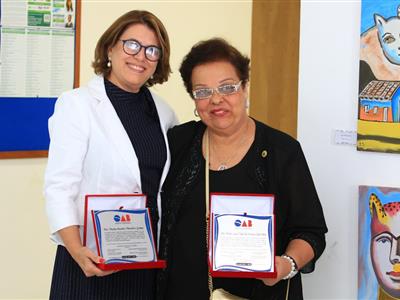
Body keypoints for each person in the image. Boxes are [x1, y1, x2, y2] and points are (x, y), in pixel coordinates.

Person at [157, 38, 328, 300]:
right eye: (202, 91)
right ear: (193, 98)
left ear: (245, 87)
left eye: (227, 87)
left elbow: (311, 232)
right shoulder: (178, 142)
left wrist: (286, 265)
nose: (216, 99)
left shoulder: (282, 151)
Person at [44, 10, 177, 300]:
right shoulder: (77, 105)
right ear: (110, 47)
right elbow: (59, 186)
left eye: (152, 50)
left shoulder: (164, 113)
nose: (140, 56)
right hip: (89, 261)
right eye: (132, 45)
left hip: (144, 261)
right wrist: (77, 251)